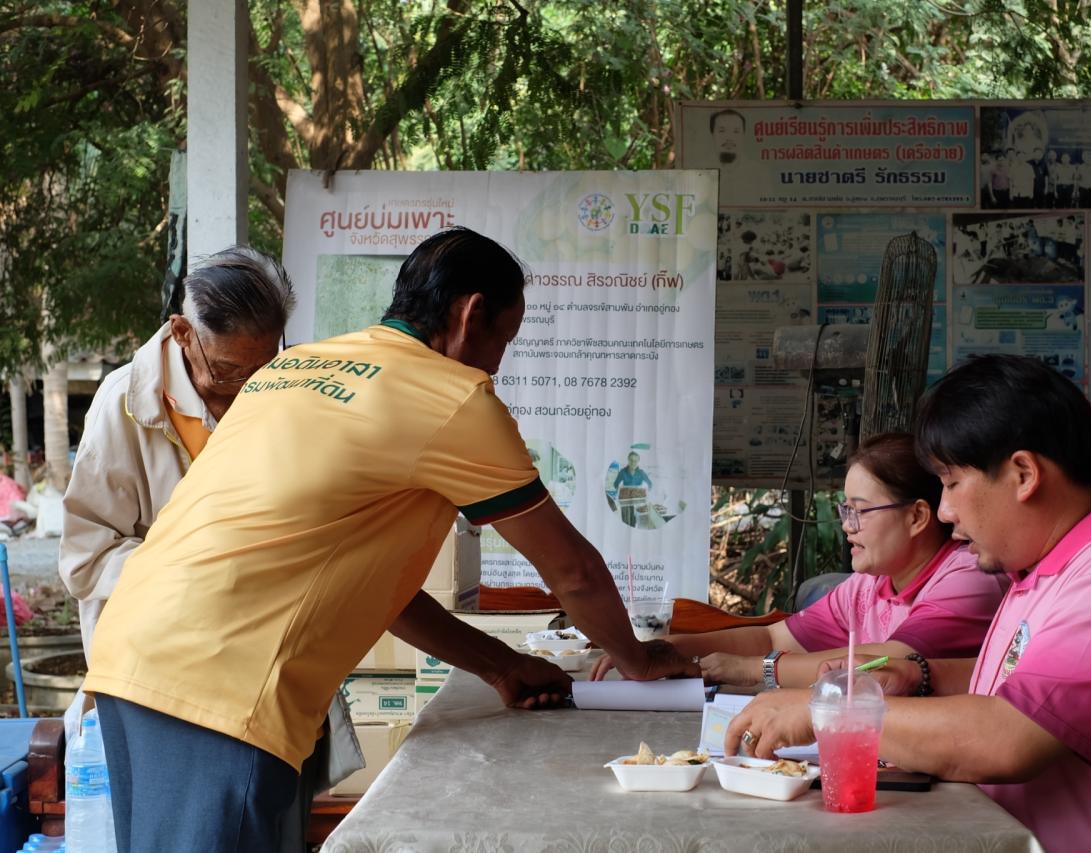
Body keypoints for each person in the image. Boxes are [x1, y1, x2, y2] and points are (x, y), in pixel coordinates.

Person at [82, 227, 697, 853]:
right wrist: (639, 660)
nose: (497, 363)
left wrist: (500, 664)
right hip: (216, 684)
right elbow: (574, 574)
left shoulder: (296, 368)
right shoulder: (453, 397)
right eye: (503, 340)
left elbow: (377, 588)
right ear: (470, 314)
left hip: (132, 653)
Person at [725, 354, 1091, 853]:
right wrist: (922, 676)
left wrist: (830, 714)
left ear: (1023, 475)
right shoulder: (1046, 561)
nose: (944, 511)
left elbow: (1010, 738)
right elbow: (1030, 678)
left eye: (950, 483)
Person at [58, 246, 363, 852]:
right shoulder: (124, 405)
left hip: (268, 675)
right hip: (166, 687)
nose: (241, 391)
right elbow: (86, 558)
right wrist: (206, 571)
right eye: (224, 374)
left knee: (270, 832)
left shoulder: (285, 391)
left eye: (259, 370)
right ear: (181, 333)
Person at [592, 433, 1006, 687]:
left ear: (917, 516)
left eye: (859, 510)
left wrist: (752, 670)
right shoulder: (869, 585)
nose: (847, 526)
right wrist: (666, 650)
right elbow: (774, 638)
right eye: (845, 510)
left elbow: (891, 662)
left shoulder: (967, 575)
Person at [613, 450, 653, 527]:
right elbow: (615, 484)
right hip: (625, 502)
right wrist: (619, 491)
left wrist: (646, 491)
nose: (633, 463)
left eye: (635, 461)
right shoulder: (622, 472)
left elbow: (650, 484)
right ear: (628, 460)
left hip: (639, 502)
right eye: (631, 460)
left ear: (638, 461)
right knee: (626, 523)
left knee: (638, 523)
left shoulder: (641, 472)